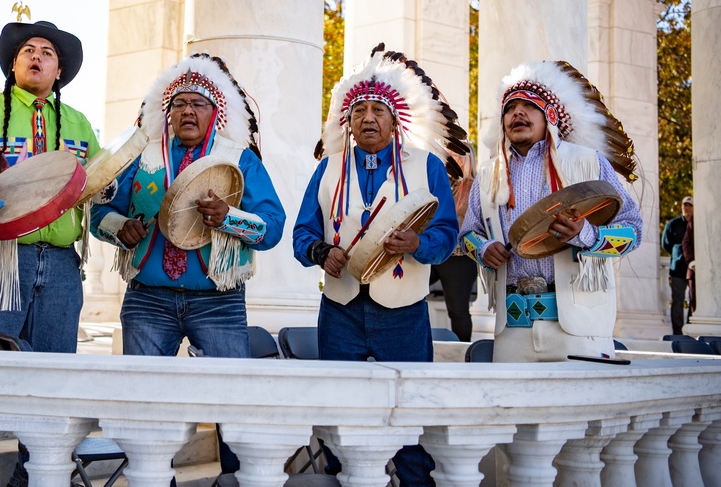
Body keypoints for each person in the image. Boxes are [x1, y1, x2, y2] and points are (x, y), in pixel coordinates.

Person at [90, 52, 285, 474]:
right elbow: (97, 216)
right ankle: (153, 481)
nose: (187, 111)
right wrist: (120, 227)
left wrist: (228, 218)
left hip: (218, 299)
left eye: (198, 103)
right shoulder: (142, 156)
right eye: (179, 104)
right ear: (168, 111)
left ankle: (240, 482)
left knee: (234, 407)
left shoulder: (238, 158)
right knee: (143, 404)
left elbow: (272, 228)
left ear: (215, 112)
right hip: (147, 298)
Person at [293, 47, 469, 486]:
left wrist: (418, 243)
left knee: (409, 412)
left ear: (395, 121)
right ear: (347, 122)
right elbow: (301, 234)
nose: (368, 117)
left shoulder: (425, 165)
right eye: (359, 110)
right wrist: (320, 252)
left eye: (378, 110)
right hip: (340, 308)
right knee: (339, 411)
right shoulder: (328, 169)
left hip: (404, 309)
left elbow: (447, 234)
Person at [459, 60, 643, 363]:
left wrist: (586, 234)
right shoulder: (489, 174)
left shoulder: (588, 163)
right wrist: (483, 248)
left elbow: (633, 231)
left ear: (551, 116)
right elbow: (467, 233)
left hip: (579, 328)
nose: (517, 112)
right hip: (513, 328)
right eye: (509, 108)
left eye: (529, 105)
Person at [0, 20, 98, 354]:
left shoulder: (79, 121)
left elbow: (99, 182)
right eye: (28, 51)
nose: (37, 57)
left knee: (54, 372)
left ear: (59, 70)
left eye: (47, 53)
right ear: (12, 64)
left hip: (63, 264)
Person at [662, 196, 694, 334]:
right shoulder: (673, 224)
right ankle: (678, 333)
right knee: (677, 301)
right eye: (684, 205)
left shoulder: (697, 224)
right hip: (677, 269)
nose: (686, 208)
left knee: (694, 301)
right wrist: (677, 254)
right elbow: (665, 244)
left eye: (689, 205)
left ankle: (690, 329)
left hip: (693, 269)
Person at [681, 205, 697, 318]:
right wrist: (692, 262)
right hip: (696, 270)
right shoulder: (694, 222)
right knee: (694, 302)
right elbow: (686, 243)